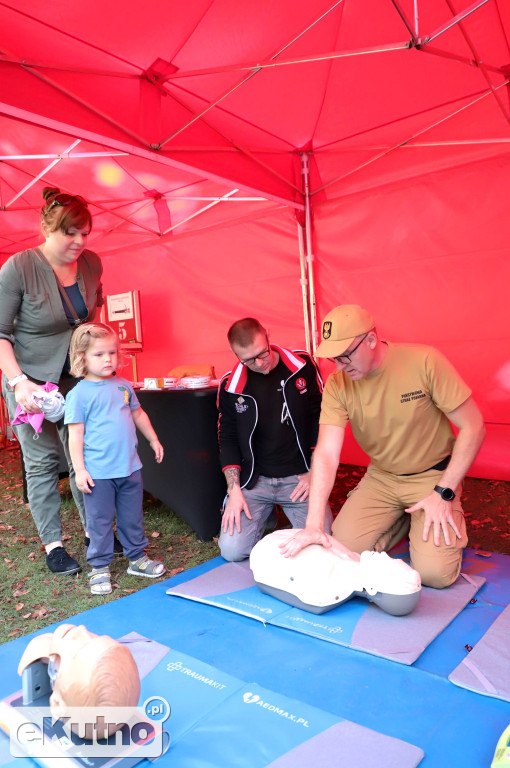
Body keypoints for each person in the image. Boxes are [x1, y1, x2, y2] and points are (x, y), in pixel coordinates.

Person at [281, 305, 485, 589]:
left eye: (344, 356)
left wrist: (445, 492)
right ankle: (404, 519)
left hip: (433, 478)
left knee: (434, 576)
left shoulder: (424, 360)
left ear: (371, 340)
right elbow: (327, 453)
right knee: (338, 551)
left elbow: (473, 426)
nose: (339, 366)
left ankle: (423, 516)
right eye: (333, 359)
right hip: (382, 478)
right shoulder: (338, 385)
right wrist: (313, 525)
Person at [0, 187, 103, 576]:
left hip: (76, 380)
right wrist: (18, 382)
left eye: (85, 233)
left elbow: (93, 313)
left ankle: (96, 534)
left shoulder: (92, 264)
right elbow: (0, 334)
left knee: (85, 458)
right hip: (29, 384)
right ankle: (55, 546)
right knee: (42, 464)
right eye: (70, 233)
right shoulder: (19, 267)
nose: (79, 241)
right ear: (48, 228)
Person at [217, 317, 332, 561]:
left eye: (262, 353)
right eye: (248, 359)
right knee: (232, 551)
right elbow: (227, 438)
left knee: (321, 545)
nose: (259, 363)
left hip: (299, 480)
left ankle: (275, 516)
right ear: (234, 353)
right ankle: (266, 514)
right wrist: (234, 488)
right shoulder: (231, 385)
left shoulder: (302, 365)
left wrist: (314, 471)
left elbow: (323, 418)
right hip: (256, 482)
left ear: (268, 336)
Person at [65, 323, 166, 595]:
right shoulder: (79, 395)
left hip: (130, 468)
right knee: (99, 521)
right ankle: (99, 567)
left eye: (112, 352)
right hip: (98, 474)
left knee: (132, 517)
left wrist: (153, 439)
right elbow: (75, 436)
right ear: (82, 357)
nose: (108, 358)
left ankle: (137, 559)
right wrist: (80, 470)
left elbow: (138, 414)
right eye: (99, 354)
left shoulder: (123, 385)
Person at [250, 529, 422, 616]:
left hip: (268, 554)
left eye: (388, 565)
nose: (384, 556)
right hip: (270, 549)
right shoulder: (349, 560)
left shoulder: (325, 591)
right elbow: (323, 537)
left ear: (372, 590)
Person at [18, 623, 140, 738]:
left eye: (74, 654)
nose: (82, 629)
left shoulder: (42, 647)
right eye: (95, 641)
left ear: (57, 705)